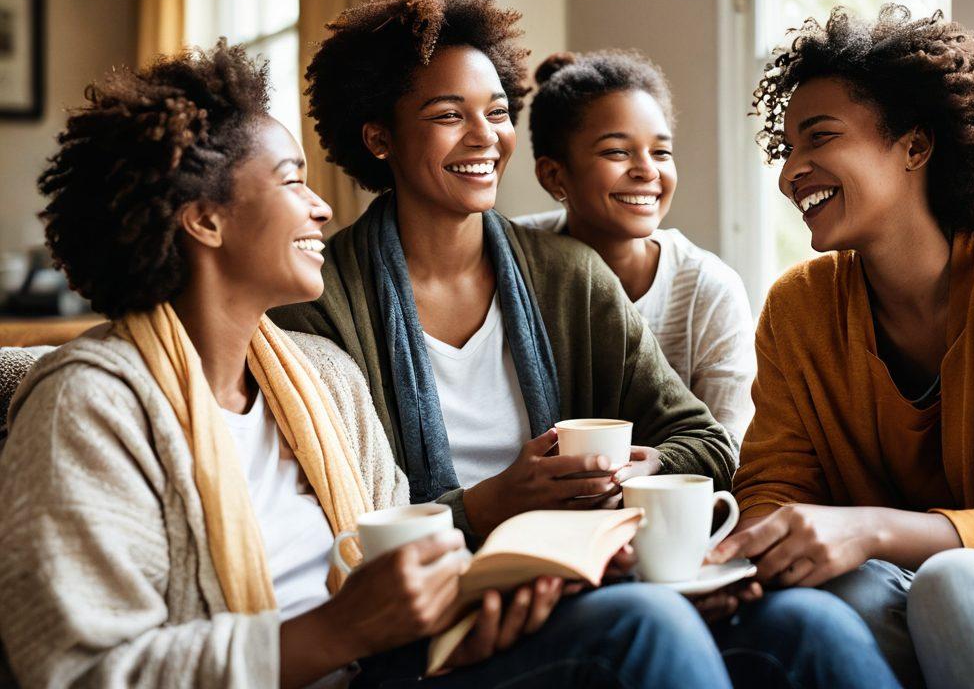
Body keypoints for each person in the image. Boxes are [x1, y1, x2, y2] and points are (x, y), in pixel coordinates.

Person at [0, 43, 738, 689]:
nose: (320, 208)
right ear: (205, 219)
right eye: (291, 181)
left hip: (394, 668)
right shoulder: (90, 408)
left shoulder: (319, 376)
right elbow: (81, 672)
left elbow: (400, 558)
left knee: (762, 627)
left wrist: (477, 603)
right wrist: (340, 633)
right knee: (644, 631)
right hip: (357, 665)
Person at [707, 5, 974, 688]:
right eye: (787, 148)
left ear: (914, 147)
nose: (792, 172)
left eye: (819, 139)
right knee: (834, 601)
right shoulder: (798, 307)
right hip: (926, 583)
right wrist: (762, 549)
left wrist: (873, 530)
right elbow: (775, 487)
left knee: (957, 585)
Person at [271, 0, 735, 542]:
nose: (485, 137)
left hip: (578, 566)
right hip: (427, 592)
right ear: (378, 138)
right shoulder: (317, 304)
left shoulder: (572, 276)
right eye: (449, 116)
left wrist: (645, 470)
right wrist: (487, 506)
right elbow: (339, 513)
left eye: (497, 112)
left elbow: (706, 443)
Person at [516, 50, 755, 444]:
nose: (647, 170)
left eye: (661, 152)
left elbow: (728, 449)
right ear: (554, 175)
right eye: (616, 152)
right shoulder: (514, 258)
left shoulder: (707, 290)